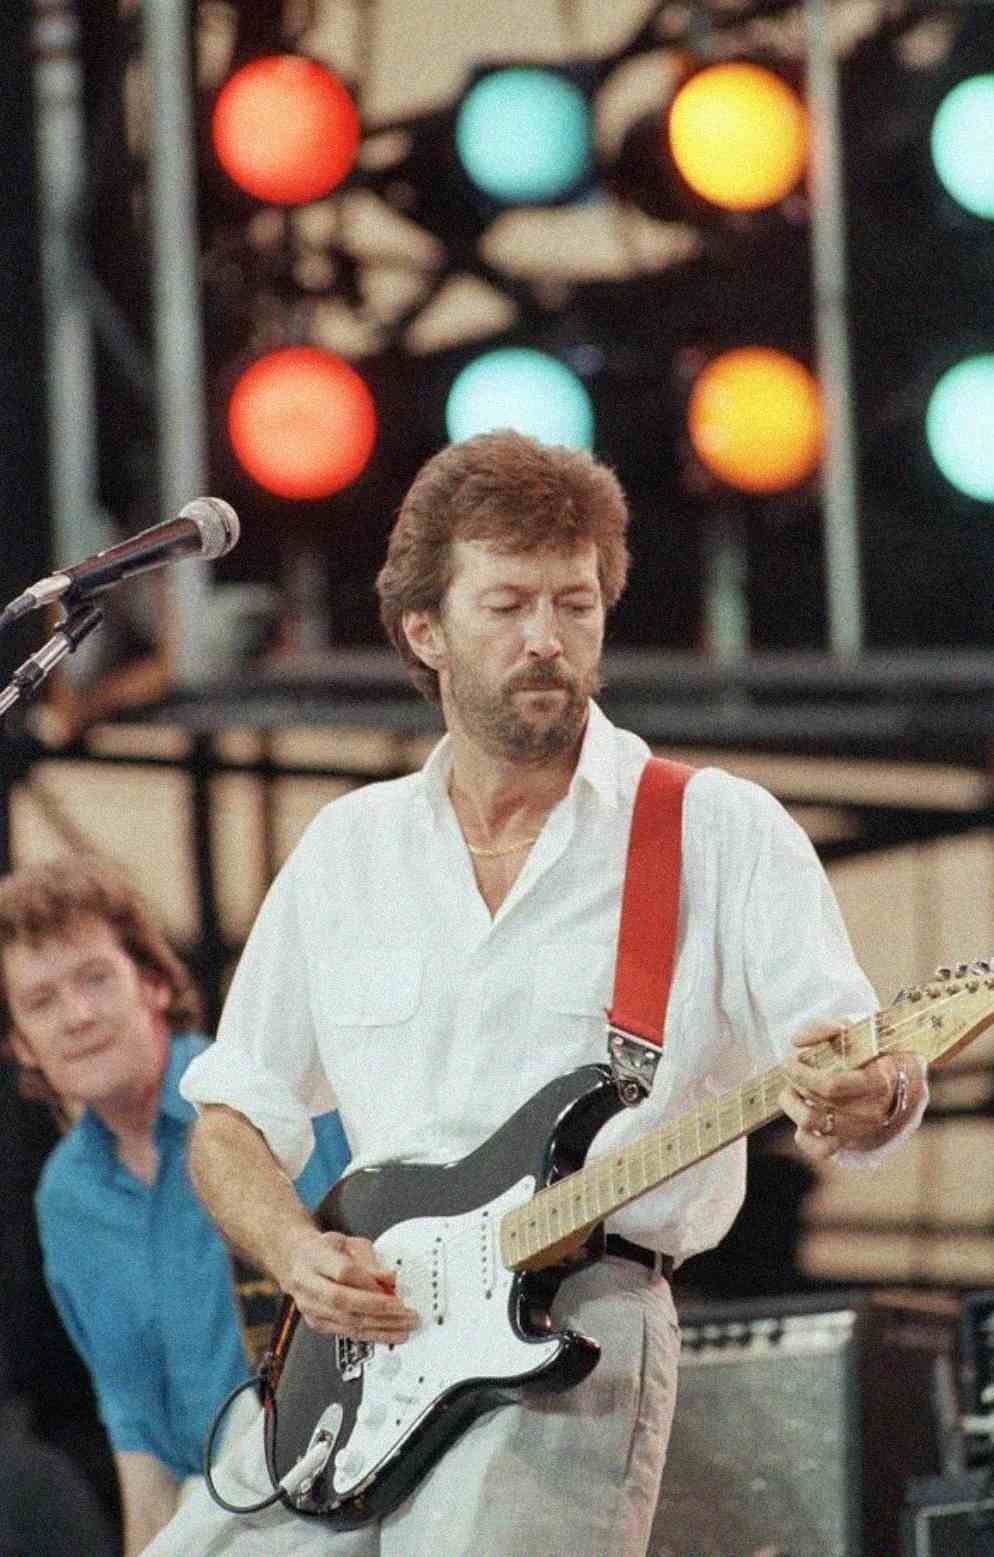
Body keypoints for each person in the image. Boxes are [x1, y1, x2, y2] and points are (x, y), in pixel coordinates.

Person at [142, 429, 929, 1557]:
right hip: (362, 1351)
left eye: (576, 604)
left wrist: (879, 1087)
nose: (547, 639)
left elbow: (856, 1055)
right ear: (426, 628)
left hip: (579, 1322)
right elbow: (231, 1117)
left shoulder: (713, 828)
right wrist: (293, 1249)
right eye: (508, 605)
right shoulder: (348, 848)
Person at [0, 856, 350, 1557]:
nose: (78, 1016)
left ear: (154, 982)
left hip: (353, 1483)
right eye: (40, 1001)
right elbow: (141, 1453)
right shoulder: (66, 1201)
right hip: (217, 1511)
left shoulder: (274, 1102)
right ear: (21, 1046)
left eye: (96, 978)